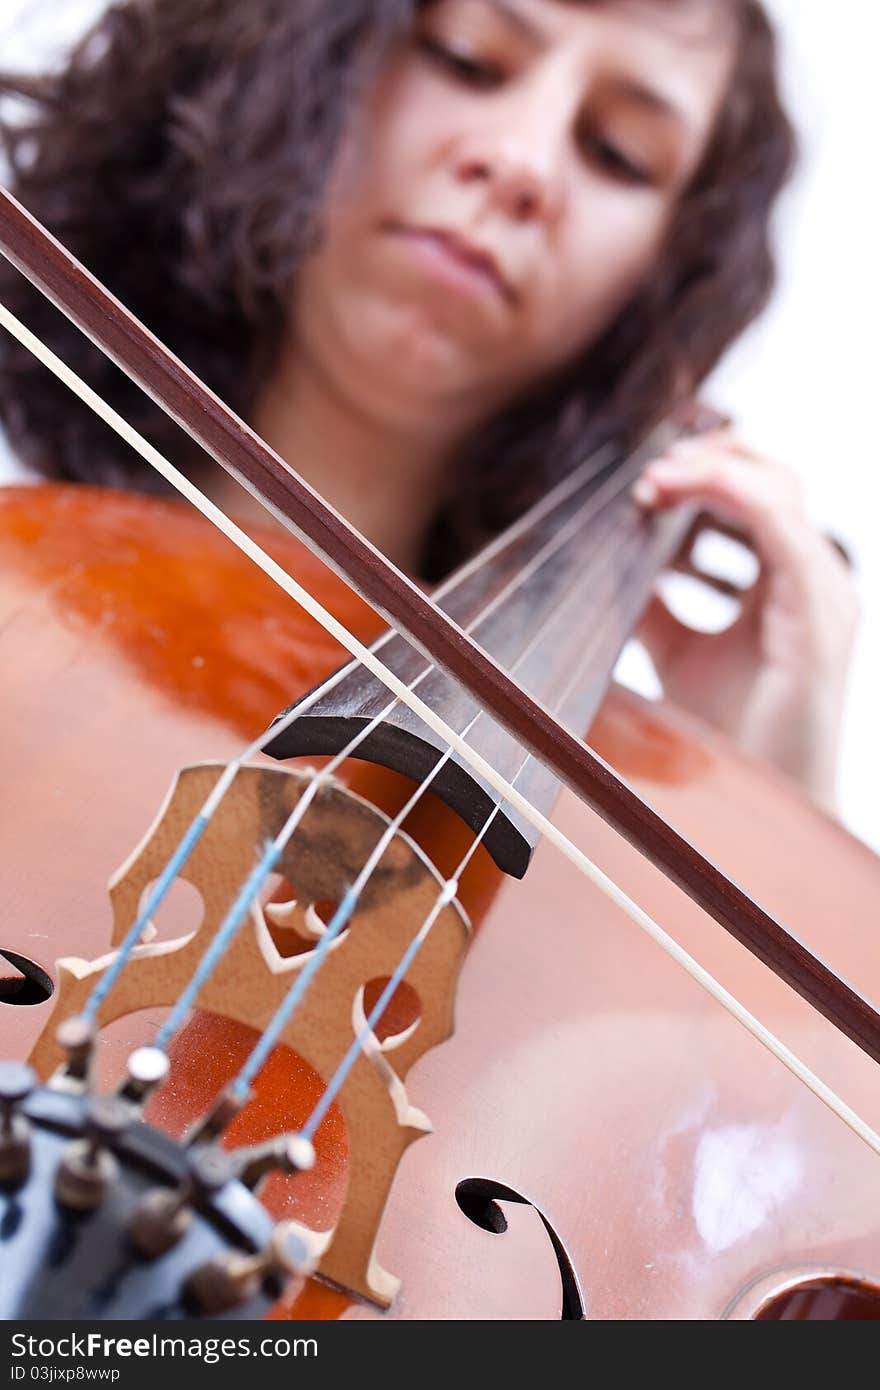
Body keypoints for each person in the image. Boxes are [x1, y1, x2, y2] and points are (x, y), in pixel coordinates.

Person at [0, 0, 859, 810]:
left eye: (619, 154)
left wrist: (760, 791)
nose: (522, 161)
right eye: (468, 58)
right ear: (306, 56)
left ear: (663, 278)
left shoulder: (563, 838)